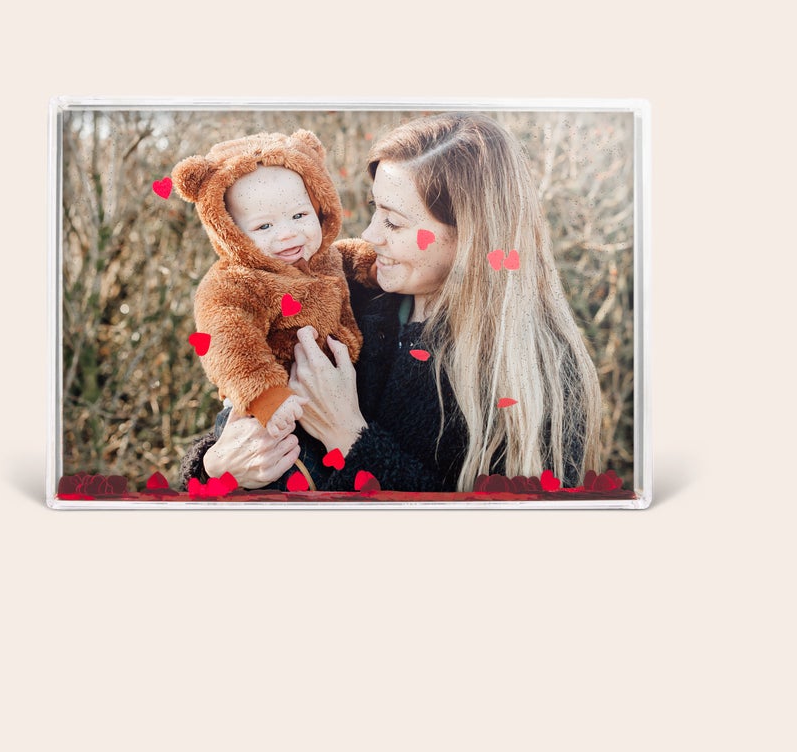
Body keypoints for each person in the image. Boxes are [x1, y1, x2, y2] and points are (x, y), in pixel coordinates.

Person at [180, 114, 604, 492]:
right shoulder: (346, 290)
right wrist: (214, 468)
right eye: (373, 209)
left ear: (471, 238)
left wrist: (348, 437)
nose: (368, 235)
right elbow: (238, 411)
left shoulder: (537, 371)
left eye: (394, 221)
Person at [171, 129, 374, 490]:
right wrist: (266, 397)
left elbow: (349, 257)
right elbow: (227, 342)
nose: (287, 235)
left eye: (299, 215)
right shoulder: (235, 283)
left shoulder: (324, 257)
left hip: (326, 408)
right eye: (264, 225)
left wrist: (375, 265)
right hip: (266, 416)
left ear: (319, 207)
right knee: (283, 482)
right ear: (230, 231)